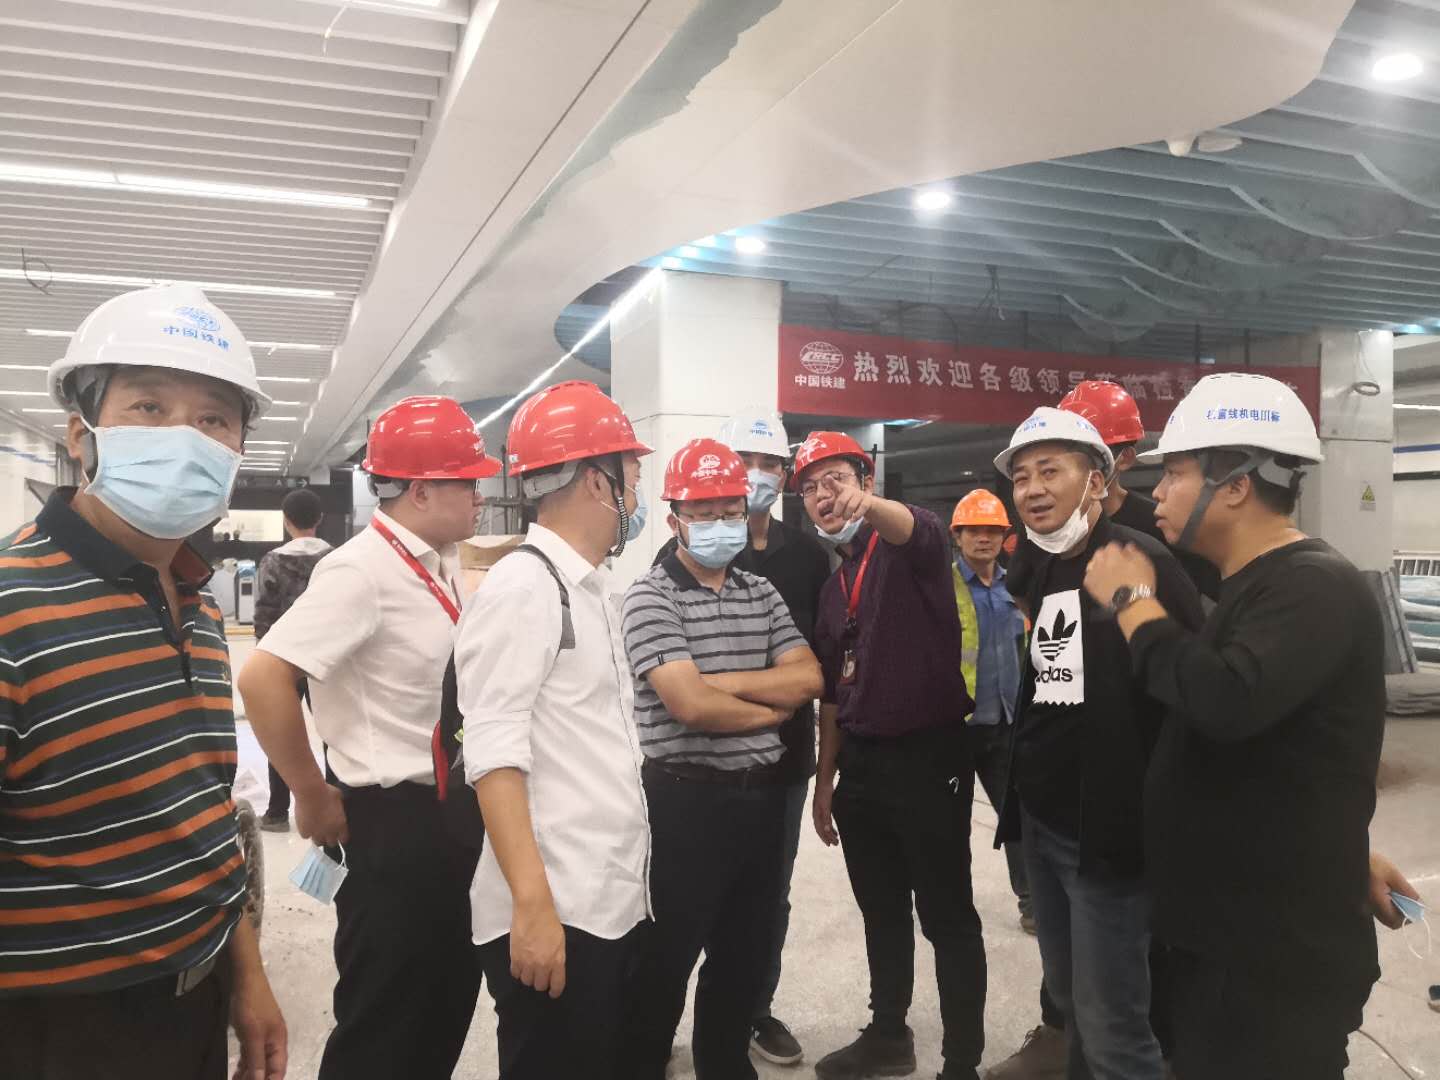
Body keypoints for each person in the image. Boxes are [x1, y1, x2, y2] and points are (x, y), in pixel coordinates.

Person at [0, 284, 286, 1080]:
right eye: (150, 408)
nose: (186, 438)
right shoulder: (13, 606)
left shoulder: (196, 602)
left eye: (214, 420)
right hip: (57, 1031)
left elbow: (203, 811)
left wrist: (245, 973)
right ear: (81, 434)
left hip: (194, 999)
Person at [1081, 373, 1386, 1079]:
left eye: (1176, 474)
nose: (1159, 491)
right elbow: (1293, 748)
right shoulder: (1256, 587)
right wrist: (1349, 849)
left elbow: (1223, 700)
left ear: (1237, 485)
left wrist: (1132, 601)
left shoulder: (1313, 585)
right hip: (1232, 938)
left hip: (1272, 959)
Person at [239, 396, 495, 1080]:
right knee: (385, 1021)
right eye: (468, 481)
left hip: (445, 815)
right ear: (420, 491)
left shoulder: (440, 562)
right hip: (391, 826)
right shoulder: (361, 571)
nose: (480, 494)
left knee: (443, 1000)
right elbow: (264, 679)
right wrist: (310, 793)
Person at [991, 407, 1203, 1080]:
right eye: (1021, 477)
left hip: (1107, 834)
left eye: (1050, 471)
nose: (1032, 489)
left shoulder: (1140, 561)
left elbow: (1190, 688)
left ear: (1096, 479)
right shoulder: (1043, 560)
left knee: (1115, 1026)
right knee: (1072, 1000)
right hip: (1045, 820)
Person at [453, 381, 652, 1080]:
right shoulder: (522, 588)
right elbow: (493, 757)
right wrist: (532, 910)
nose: (638, 494)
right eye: (633, 477)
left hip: (605, 897)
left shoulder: (591, 588)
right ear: (599, 481)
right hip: (556, 908)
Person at [618, 438, 823, 1080]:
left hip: (762, 798)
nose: (720, 524)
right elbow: (689, 706)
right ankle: (644, 1059)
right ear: (674, 519)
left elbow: (809, 677)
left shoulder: (761, 591)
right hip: (684, 799)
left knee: (745, 949)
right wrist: (769, 708)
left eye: (730, 511)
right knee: (668, 949)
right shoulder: (650, 596)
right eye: (703, 514)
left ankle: (725, 1062)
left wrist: (719, 682)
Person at [800, 431, 987, 1080]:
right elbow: (832, 692)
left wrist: (872, 508)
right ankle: (887, 1035)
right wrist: (825, 781)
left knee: (946, 915)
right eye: (810, 488)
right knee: (881, 910)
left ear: (867, 481)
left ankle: (961, 1063)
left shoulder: (912, 547)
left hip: (928, 759)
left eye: (836, 480)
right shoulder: (834, 587)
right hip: (862, 764)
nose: (824, 496)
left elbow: (916, 527)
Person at [949, 491, 1031, 931]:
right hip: (957, 726)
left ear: (1005, 537)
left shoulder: (1016, 587)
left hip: (1006, 722)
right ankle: (950, 903)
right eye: (974, 530)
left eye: (992, 531)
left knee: (1017, 816)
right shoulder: (944, 587)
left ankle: (1031, 902)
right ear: (957, 535)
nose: (984, 538)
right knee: (951, 823)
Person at [252, 487, 331, 832]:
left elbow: (263, 615)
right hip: (328, 659)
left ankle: (277, 812)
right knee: (334, 733)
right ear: (320, 519)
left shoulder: (272, 561)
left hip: (284, 660)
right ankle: (341, 799)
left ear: (286, 521)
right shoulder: (335, 559)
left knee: (282, 733)